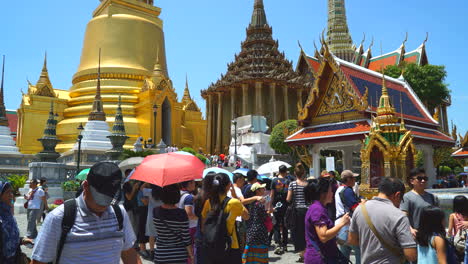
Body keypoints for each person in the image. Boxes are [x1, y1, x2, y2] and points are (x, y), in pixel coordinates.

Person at [30, 162, 141, 264]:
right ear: (85, 186)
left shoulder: (119, 213)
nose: (103, 205)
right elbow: (39, 261)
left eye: (109, 198)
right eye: (99, 198)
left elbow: (129, 253)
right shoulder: (59, 217)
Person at [348, 177, 417, 264]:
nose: (400, 203)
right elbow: (411, 255)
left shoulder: (360, 209)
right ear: (397, 195)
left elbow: (352, 240)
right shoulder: (399, 215)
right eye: (401, 199)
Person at [202, 173, 249, 264]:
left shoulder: (208, 202)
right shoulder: (233, 202)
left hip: (212, 245)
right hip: (230, 245)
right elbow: (246, 216)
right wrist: (235, 196)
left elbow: (203, 226)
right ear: (228, 186)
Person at [303, 177, 350, 264]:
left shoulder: (319, 207)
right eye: (330, 190)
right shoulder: (317, 209)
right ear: (323, 193)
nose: (332, 193)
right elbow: (323, 236)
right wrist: (341, 224)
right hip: (320, 258)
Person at [153, 184, 193, 264]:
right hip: (178, 256)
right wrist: (191, 255)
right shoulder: (181, 213)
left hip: (161, 255)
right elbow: (186, 237)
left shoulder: (155, 211)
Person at [0, 181, 33, 263]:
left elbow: (9, 237)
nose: (11, 195)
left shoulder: (8, 215)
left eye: (11, 192)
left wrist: (21, 240)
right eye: (7, 192)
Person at [400, 168, 439, 238]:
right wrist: (410, 229)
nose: (423, 181)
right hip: (417, 235)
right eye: (420, 178)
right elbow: (404, 216)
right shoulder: (407, 197)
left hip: (432, 235)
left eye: (425, 178)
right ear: (412, 181)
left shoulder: (432, 197)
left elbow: (437, 215)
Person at [334, 170, 361, 263]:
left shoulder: (339, 189)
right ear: (348, 179)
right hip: (348, 224)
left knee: (344, 253)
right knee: (359, 251)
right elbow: (355, 208)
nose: (355, 180)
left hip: (341, 225)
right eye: (353, 178)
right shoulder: (347, 190)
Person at [286, 163, 310, 262]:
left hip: (297, 211)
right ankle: (307, 252)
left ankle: (302, 254)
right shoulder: (307, 184)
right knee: (307, 232)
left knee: (298, 233)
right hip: (307, 210)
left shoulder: (293, 184)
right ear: (304, 173)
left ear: (295, 173)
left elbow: (288, 199)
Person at [242, 182, 269, 264]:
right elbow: (264, 216)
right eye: (262, 188)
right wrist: (269, 212)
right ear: (257, 191)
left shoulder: (252, 203)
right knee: (260, 252)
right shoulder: (260, 204)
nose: (264, 190)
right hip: (260, 230)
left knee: (251, 253)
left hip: (251, 229)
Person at [269, 165, 290, 254]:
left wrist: (270, 205)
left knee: (276, 224)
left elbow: (272, 195)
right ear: (285, 172)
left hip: (276, 206)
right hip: (286, 205)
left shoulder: (274, 181)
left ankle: (278, 244)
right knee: (285, 224)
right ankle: (285, 245)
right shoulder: (288, 181)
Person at [179, 180, 198, 264]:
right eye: (193, 182)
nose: (195, 184)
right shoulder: (188, 197)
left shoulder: (178, 193)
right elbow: (189, 214)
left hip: (181, 226)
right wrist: (200, 218)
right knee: (191, 250)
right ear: (189, 184)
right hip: (191, 227)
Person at [145, 184, 163, 261]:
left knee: (151, 235)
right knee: (161, 234)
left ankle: (152, 252)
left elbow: (141, 188)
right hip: (162, 215)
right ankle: (161, 251)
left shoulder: (149, 191)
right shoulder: (164, 192)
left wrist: (147, 183)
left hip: (151, 215)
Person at [136, 182, 150, 259]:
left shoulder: (147, 190)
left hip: (146, 210)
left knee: (146, 230)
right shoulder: (141, 191)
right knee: (142, 229)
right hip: (142, 211)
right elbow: (145, 202)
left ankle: (144, 249)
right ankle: (142, 249)